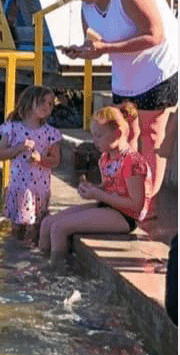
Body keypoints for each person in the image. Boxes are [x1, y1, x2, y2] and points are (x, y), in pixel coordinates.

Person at [57, 0, 178, 206]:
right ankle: (125, 194)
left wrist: (107, 47)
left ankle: (146, 202)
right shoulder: (87, 6)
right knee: (124, 134)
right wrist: (81, 51)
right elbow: (96, 46)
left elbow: (155, 35)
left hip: (158, 70)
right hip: (125, 76)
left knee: (152, 137)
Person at [38, 105, 153, 267]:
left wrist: (99, 195)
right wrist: (93, 189)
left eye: (99, 136)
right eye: (93, 135)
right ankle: (40, 266)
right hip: (108, 207)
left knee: (59, 228)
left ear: (118, 134)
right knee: (47, 223)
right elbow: (109, 188)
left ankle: (57, 273)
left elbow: (136, 205)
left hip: (126, 217)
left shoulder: (132, 162)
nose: (94, 141)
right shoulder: (105, 158)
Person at [0, 86, 62, 244]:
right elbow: (0, 154)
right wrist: (19, 148)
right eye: (43, 102)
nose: (47, 106)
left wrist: (40, 159)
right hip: (20, 188)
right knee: (18, 228)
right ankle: (14, 255)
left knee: (36, 229)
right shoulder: (12, 128)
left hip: (40, 189)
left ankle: (30, 256)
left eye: (51, 104)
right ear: (29, 102)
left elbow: (56, 160)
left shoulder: (51, 133)